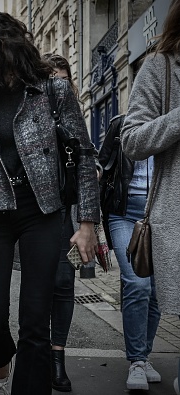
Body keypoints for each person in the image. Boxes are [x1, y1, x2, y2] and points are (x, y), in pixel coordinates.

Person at [0, 12, 100, 395]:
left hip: (41, 211)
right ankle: (0, 368)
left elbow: (83, 154)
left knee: (35, 321)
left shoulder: (52, 90)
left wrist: (86, 224)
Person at [121, 1, 180, 391]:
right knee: (140, 286)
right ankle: (138, 359)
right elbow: (131, 139)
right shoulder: (161, 67)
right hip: (148, 211)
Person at [99, 114, 161, 391]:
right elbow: (102, 165)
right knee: (137, 283)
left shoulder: (171, 125)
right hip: (123, 214)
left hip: (161, 217)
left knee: (156, 292)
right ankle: (136, 360)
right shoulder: (121, 124)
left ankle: (144, 356)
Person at [43, 52, 80, 392]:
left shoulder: (75, 116)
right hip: (37, 214)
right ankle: (38, 352)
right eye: (51, 77)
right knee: (40, 285)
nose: (57, 84)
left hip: (67, 213)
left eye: (62, 78)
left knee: (64, 283)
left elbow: (85, 167)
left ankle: (58, 358)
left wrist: (89, 224)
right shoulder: (32, 115)